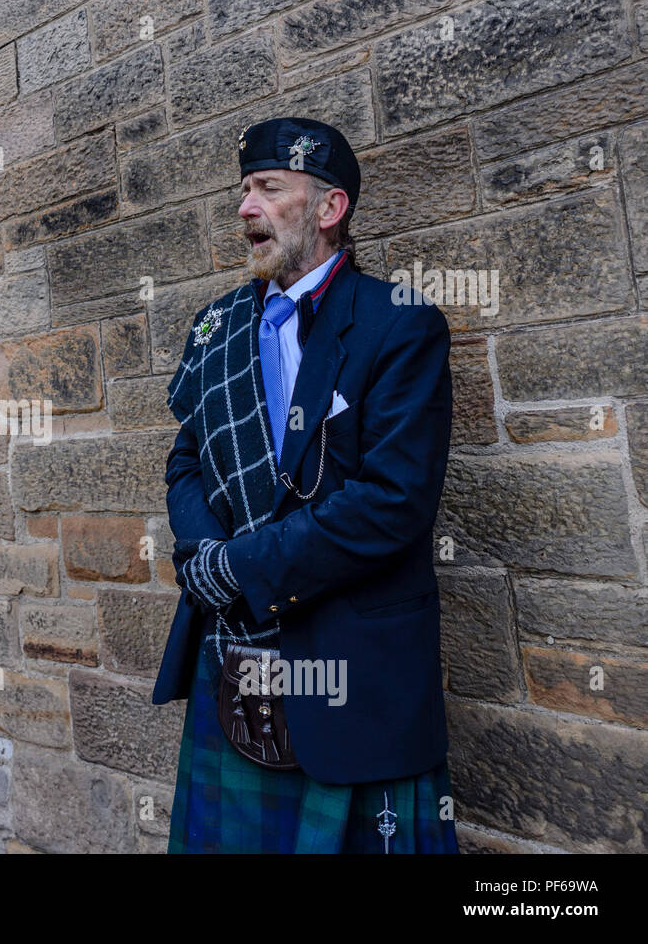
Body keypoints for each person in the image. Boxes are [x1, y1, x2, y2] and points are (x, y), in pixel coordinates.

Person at [153, 116, 458, 853]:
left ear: (328, 209)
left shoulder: (398, 324)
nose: (245, 208)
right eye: (243, 191)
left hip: (353, 663)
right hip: (233, 651)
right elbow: (185, 460)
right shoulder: (214, 327)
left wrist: (242, 566)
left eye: (267, 189)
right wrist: (203, 549)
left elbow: (395, 502)